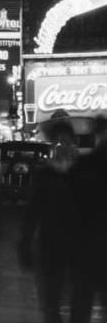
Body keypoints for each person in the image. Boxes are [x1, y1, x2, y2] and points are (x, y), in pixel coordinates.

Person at [19, 116, 79, 323]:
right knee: (51, 302)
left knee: (77, 302)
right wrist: (25, 242)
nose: (63, 145)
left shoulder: (84, 172)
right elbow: (32, 211)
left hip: (78, 248)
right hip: (50, 246)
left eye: (66, 141)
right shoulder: (44, 174)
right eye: (58, 141)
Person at [70, 115, 107, 323]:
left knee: (82, 303)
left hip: (87, 247)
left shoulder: (84, 166)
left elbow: (71, 210)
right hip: (91, 246)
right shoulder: (84, 165)